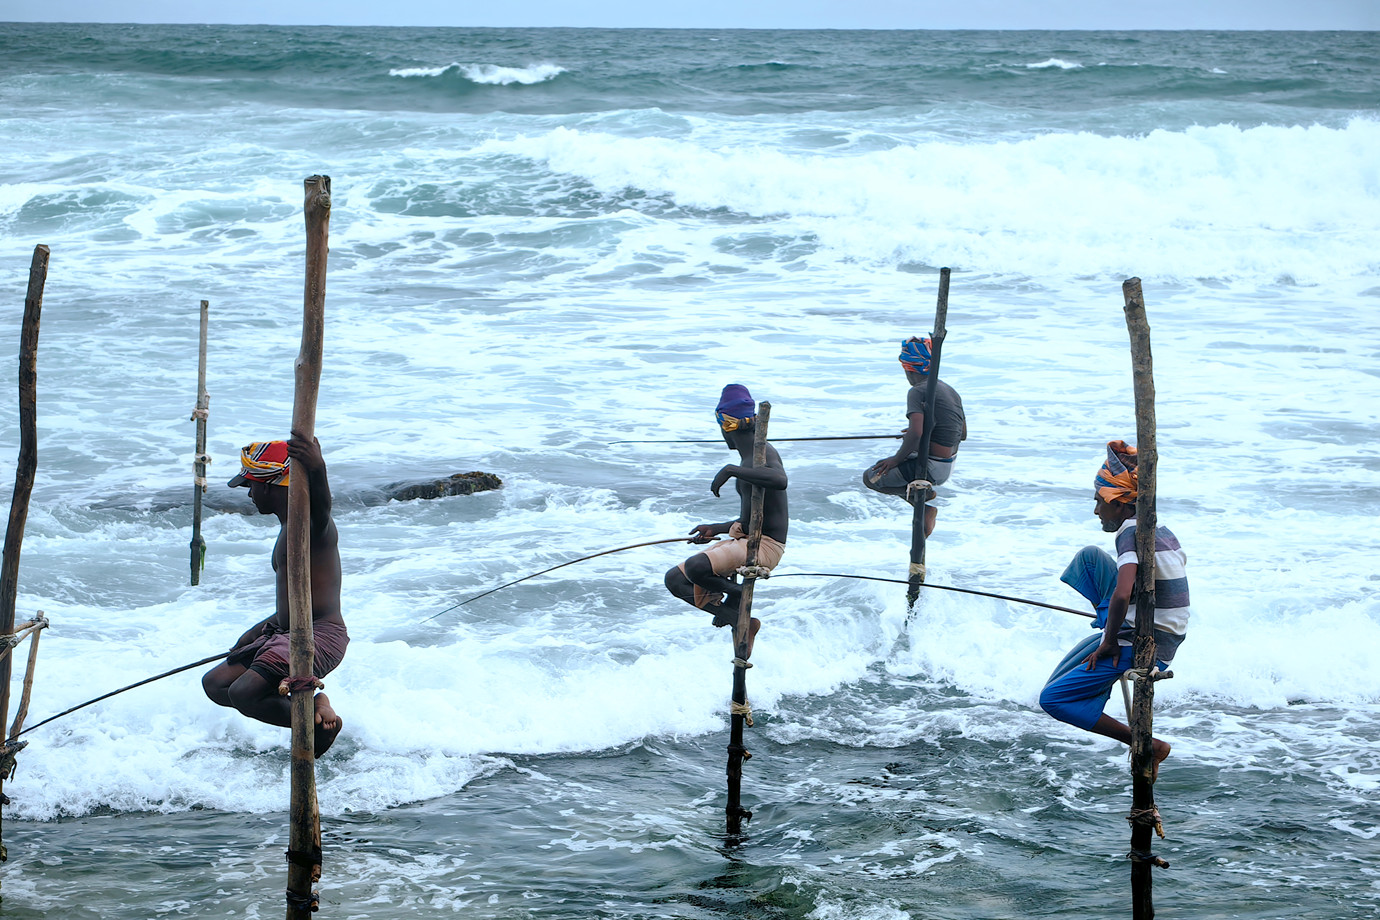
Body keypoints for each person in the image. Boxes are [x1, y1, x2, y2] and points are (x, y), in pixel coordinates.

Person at [1038, 440, 1191, 777]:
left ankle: (1148, 743)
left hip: (1148, 644)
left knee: (1053, 698)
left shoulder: (1128, 534)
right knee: (1090, 558)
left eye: (1099, 502)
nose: (1096, 511)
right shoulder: (1158, 529)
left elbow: (1123, 593)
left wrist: (1109, 642)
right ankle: (1108, 627)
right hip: (1163, 628)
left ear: (1120, 505)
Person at [202, 433, 348, 757]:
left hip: (319, 634)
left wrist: (317, 467)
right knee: (215, 684)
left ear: (268, 485)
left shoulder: (310, 524)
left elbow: (323, 505)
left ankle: (315, 721)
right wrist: (253, 633)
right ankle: (311, 708)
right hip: (285, 631)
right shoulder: (286, 528)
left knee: (244, 693)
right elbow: (293, 601)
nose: (249, 494)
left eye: (250, 485)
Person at [664, 384, 788, 658]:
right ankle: (735, 616)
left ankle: (739, 594)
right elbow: (749, 518)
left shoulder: (762, 454)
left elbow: (780, 481)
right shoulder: (748, 458)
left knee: (698, 567)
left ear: (725, 426)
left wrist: (730, 470)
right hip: (746, 538)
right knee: (675, 580)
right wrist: (717, 529)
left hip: (766, 546)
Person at [864, 336, 966, 537]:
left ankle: (925, 507)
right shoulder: (949, 389)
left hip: (932, 467)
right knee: (883, 466)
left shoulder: (918, 391)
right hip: (948, 465)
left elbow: (917, 434)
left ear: (908, 368)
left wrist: (896, 459)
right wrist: (924, 431)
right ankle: (924, 498)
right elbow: (962, 434)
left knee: (871, 477)